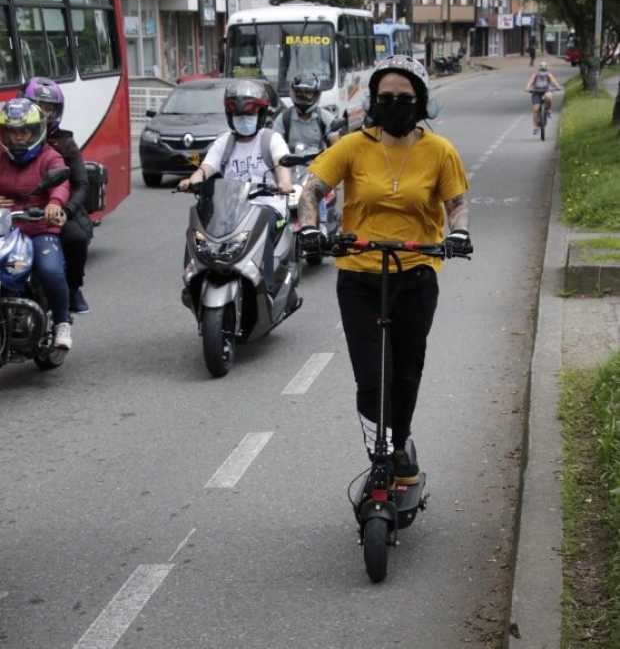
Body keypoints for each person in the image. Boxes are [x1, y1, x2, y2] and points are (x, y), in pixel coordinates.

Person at [297, 55, 472, 485]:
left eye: (404, 97)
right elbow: (313, 188)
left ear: (421, 101)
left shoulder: (440, 151)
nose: (395, 104)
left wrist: (459, 234)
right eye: (386, 97)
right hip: (359, 276)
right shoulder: (354, 146)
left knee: (406, 369)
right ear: (374, 101)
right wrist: (309, 226)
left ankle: (401, 443)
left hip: (416, 275)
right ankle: (381, 453)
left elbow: (457, 204)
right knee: (373, 373)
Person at [179, 79, 293, 294]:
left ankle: (265, 285)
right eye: (238, 116)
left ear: (260, 115)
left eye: (248, 115)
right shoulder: (224, 142)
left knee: (264, 224)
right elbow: (206, 168)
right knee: (197, 226)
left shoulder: (271, 140)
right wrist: (192, 181)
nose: (243, 120)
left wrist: (284, 183)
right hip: (231, 207)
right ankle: (193, 275)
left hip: (266, 205)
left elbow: (281, 164)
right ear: (230, 116)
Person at [0, 98, 72, 349]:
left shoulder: (49, 157)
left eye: (23, 132)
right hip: (6, 230)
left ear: (35, 131)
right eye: (11, 132)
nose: (17, 138)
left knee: (51, 271)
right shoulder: (2, 158)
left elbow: (61, 182)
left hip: (40, 227)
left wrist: (54, 203)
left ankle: (62, 322)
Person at [21, 77, 93, 314]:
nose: (44, 113)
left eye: (49, 108)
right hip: (19, 208)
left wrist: (67, 209)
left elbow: (81, 184)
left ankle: (72, 288)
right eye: (38, 106)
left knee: (76, 238)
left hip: (58, 209)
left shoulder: (65, 143)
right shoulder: (11, 140)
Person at [273, 74, 339, 225]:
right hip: (291, 176)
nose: (304, 97)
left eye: (308, 93)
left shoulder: (325, 118)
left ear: (316, 95)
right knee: (279, 216)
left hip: (318, 174)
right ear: (293, 93)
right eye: (300, 93)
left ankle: (323, 228)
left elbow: (337, 148)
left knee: (321, 210)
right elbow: (274, 147)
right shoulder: (283, 119)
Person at [525, 61, 562, 135]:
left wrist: (558, 87)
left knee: (549, 96)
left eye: (544, 69)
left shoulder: (549, 75)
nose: (543, 71)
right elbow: (530, 82)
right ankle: (535, 127)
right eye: (542, 69)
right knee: (535, 109)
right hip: (536, 92)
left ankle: (549, 110)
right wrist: (527, 88)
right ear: (539, 68)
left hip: (546, 91)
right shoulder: (535, 75)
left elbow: (554, 82)